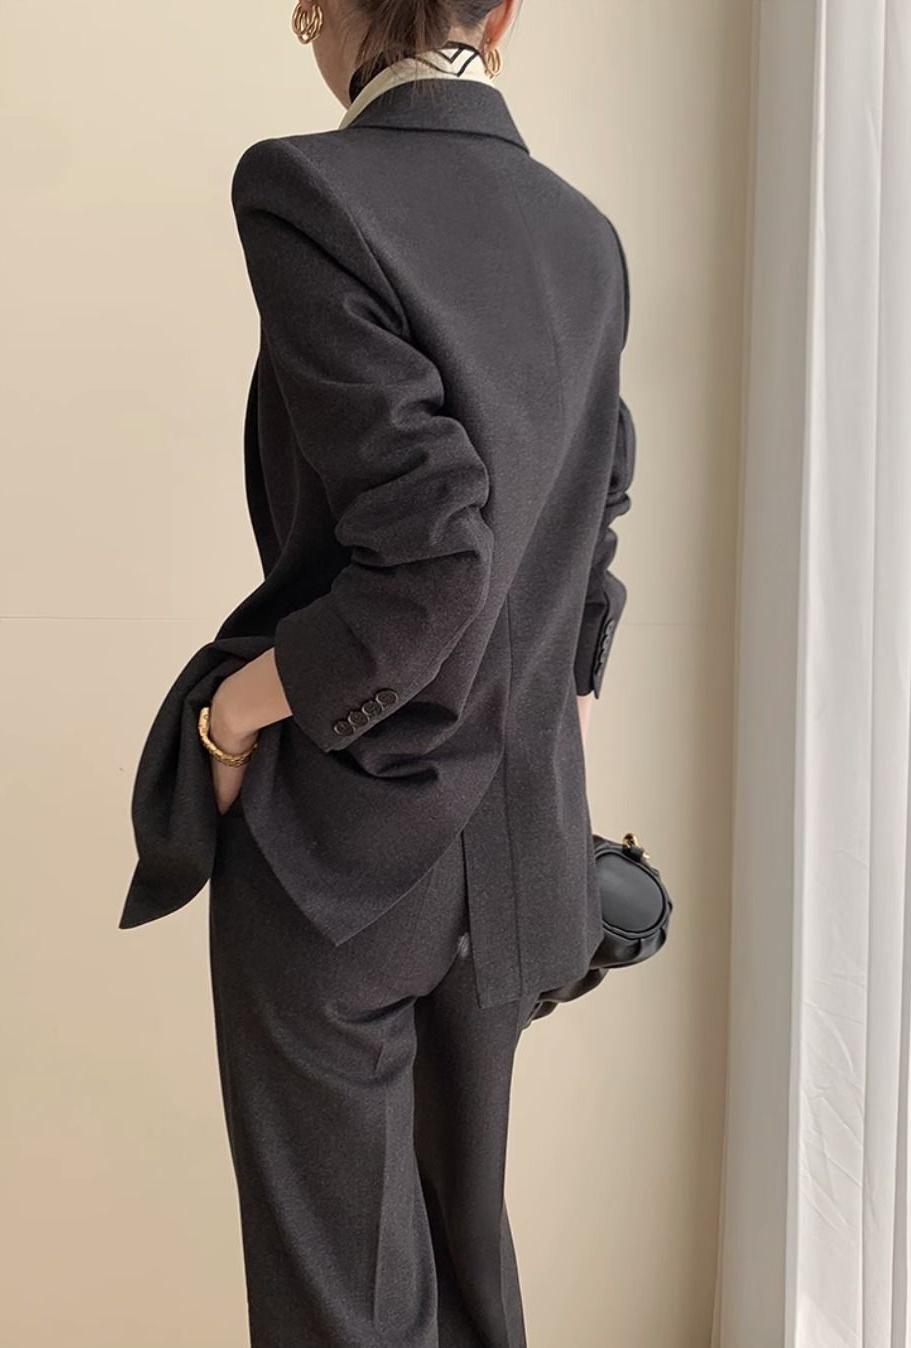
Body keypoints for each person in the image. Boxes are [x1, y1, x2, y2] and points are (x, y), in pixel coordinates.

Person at [119, 0, 636, 1342]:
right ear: (501, 13)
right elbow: (589, 519)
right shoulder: (584, 235)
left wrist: (232, 714)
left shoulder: (308, 189)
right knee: (468, 1274)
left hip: (345, 851)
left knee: (342, 1310)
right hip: (519, 853)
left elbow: (434, 560)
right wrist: (543, 717)